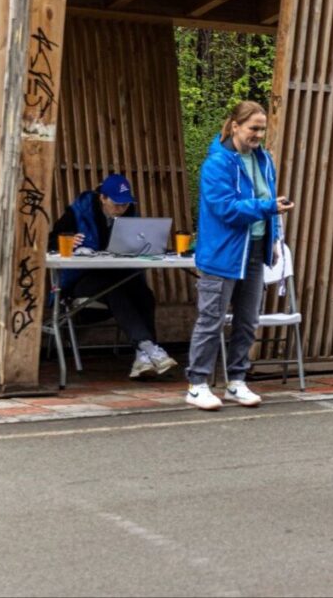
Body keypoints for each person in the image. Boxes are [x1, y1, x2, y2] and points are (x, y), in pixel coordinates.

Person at [184, 101, 295, 411]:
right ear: (235, 126)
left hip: (255, 250)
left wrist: (274, 238)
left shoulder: (264, 160)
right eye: (252, 128)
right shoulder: (216, 164)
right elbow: (226, 209)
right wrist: (268, 208)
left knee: (247, 321)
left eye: (262, 129)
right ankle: (197, 384)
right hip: (222, 253)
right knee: (212, 320)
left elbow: (270, 201)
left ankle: (236, 381)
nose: (258, 134)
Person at [47, 173, 178, 378]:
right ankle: (147, 346)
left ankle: (143, 357)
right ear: (102, 198)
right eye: (116, 204)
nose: (121, 209)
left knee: (144, 294)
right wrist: (67, 241)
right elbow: (50, 241)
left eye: (125, 204)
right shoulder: (78, 212)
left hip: (117, 275)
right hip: (79, 280)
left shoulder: (129, 214)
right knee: (116, 289)